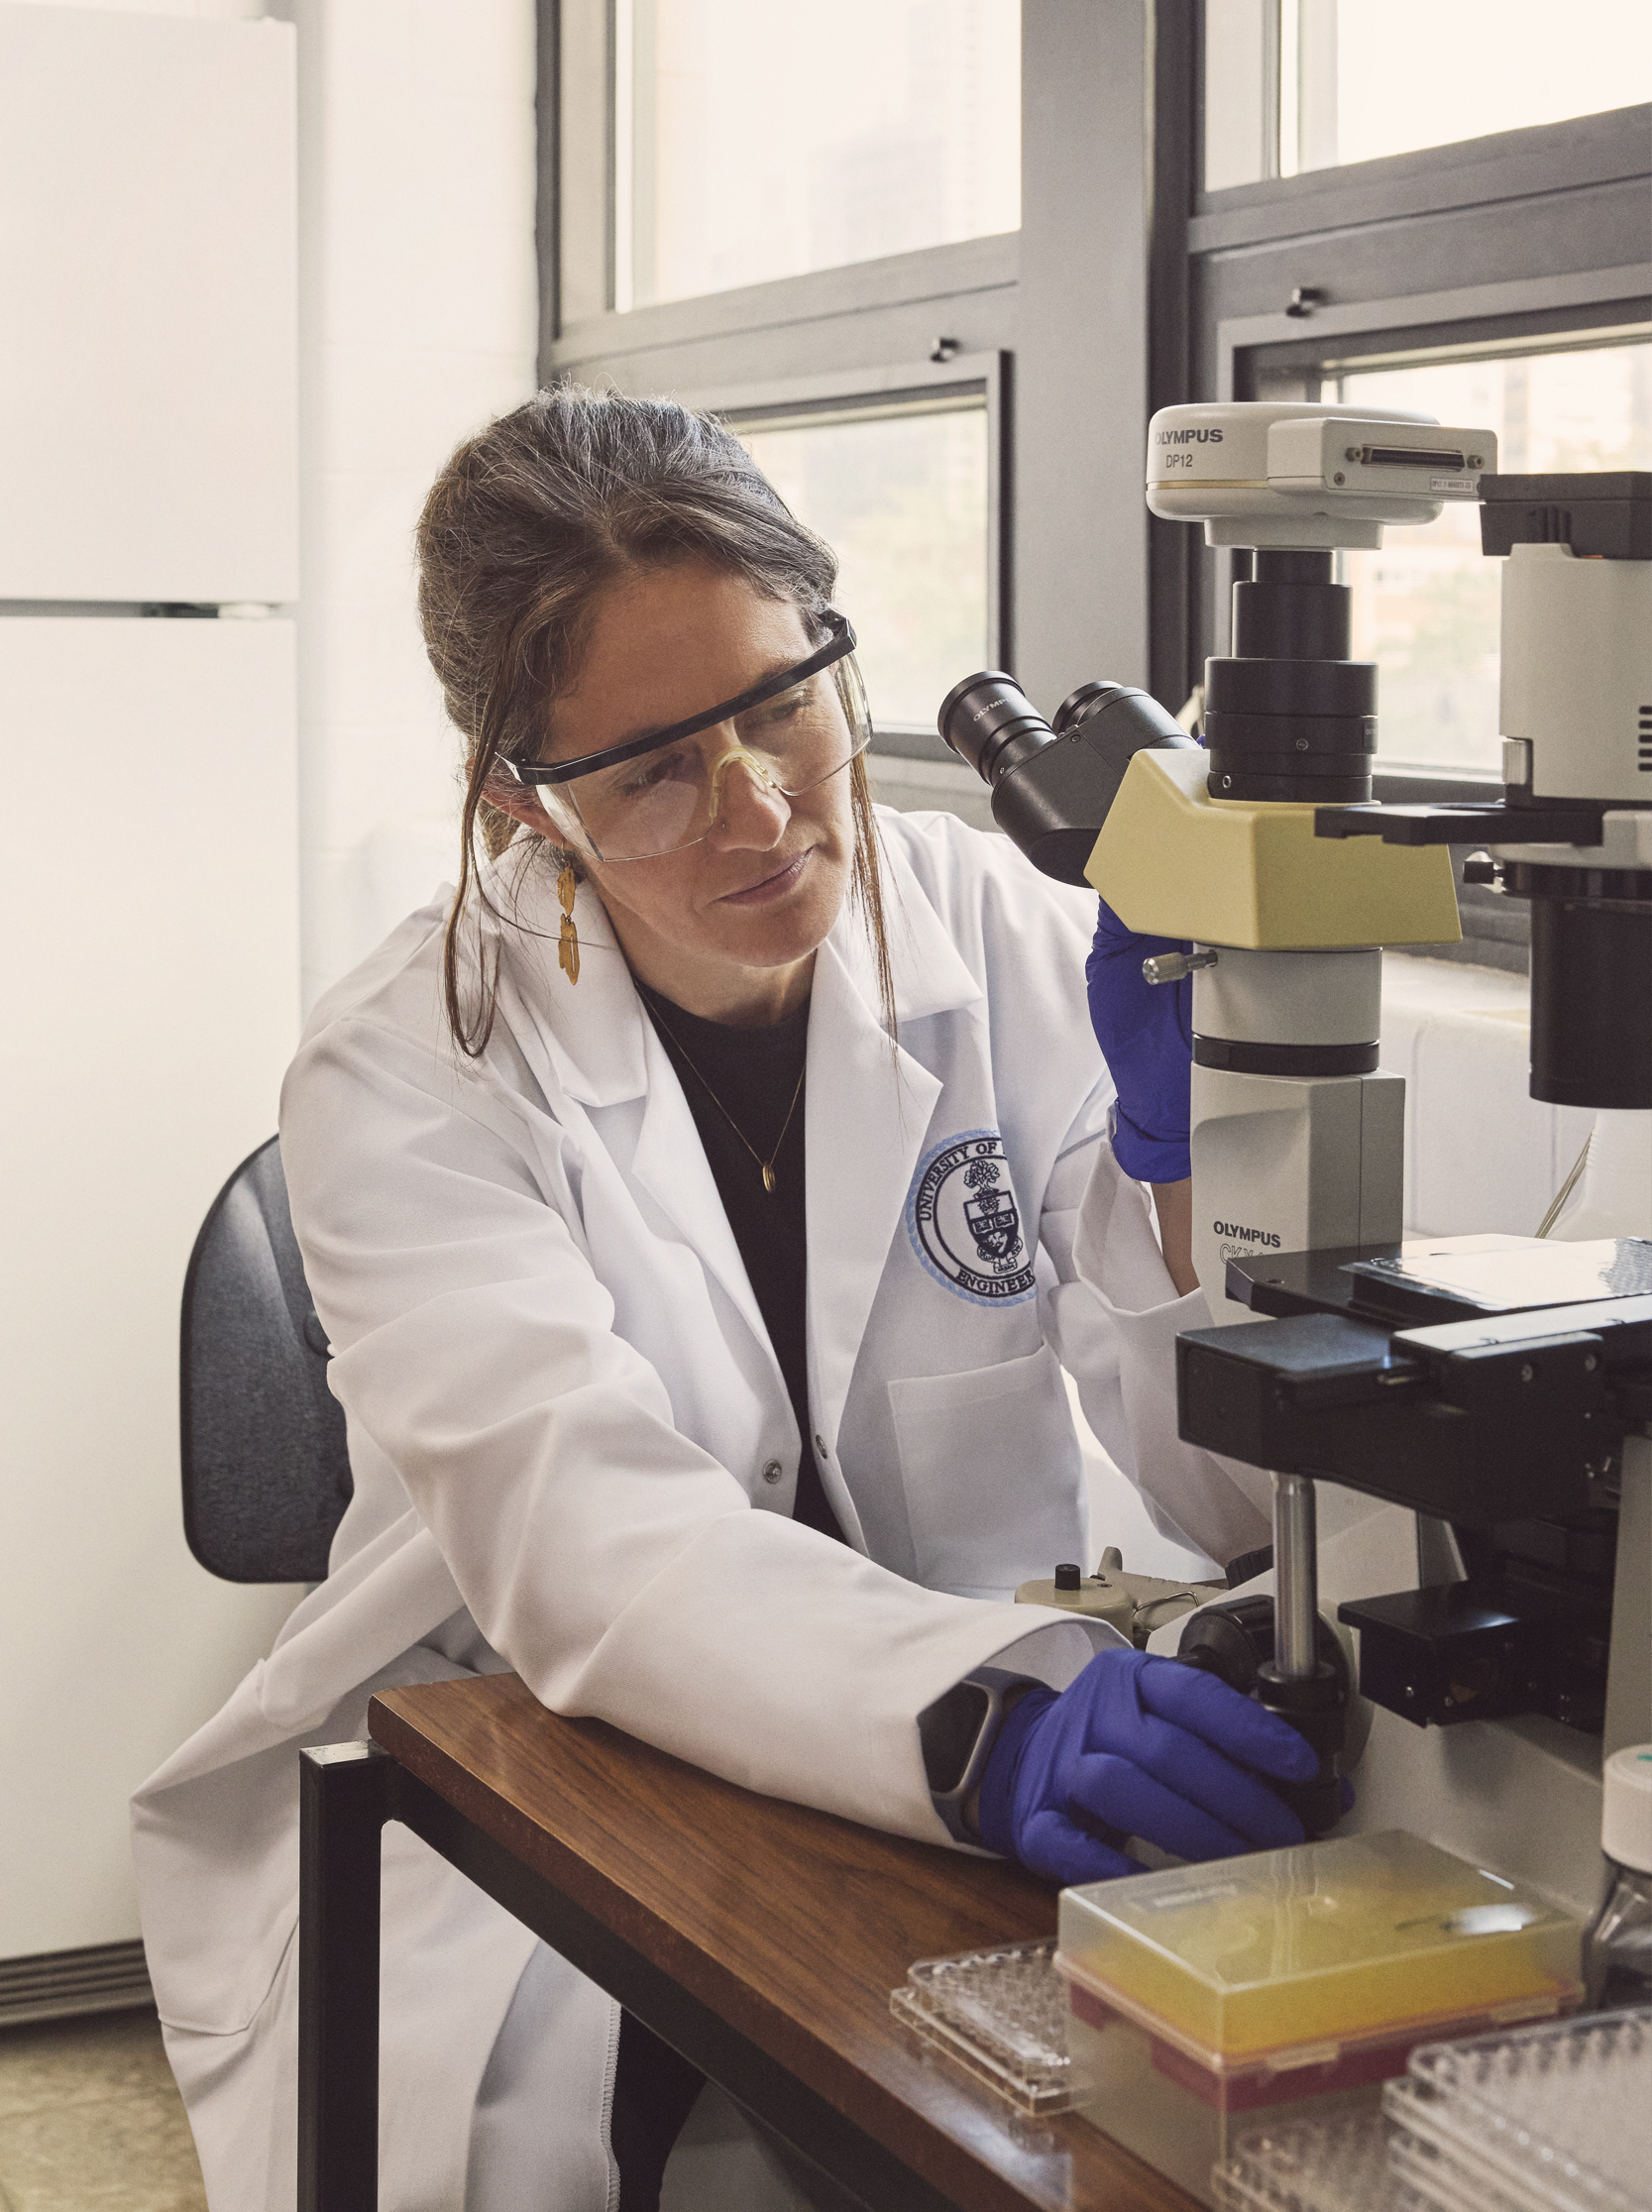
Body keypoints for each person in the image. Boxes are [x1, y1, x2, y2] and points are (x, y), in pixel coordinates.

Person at [134, 388, 1309, 2212]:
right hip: (528, 1750)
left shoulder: (996, 929)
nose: (758, 806)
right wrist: (989, 1715)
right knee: (627, 2162)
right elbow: (592, 1548)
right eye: (657, 765)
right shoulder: (408, 1065)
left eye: (784, 701)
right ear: (523, 798)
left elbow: (1235, 1499)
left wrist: (1193, 1163)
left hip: (980, 1684)